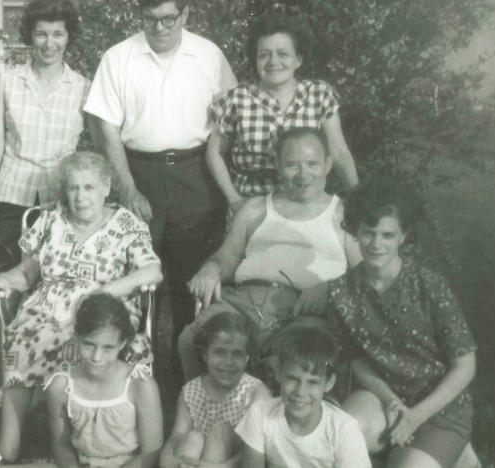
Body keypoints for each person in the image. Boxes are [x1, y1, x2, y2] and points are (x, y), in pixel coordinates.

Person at [0, 151, 163, 462]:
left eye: (89, 187)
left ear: (106, 187)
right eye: (73, 188)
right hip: (48, 308)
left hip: (104, 309)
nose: (80, 197)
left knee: (125, 346)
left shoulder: (125, 223)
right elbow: (28, 271)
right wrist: (6, 280)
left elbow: (152, 271)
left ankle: (118, 442)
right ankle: (9, 449)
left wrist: (103, 293)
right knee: (24, 339)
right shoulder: (52, 218)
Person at [84, 0, 238, 356]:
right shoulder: (118, 57)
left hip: (195, 174)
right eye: (150, 19)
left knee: (192, 276)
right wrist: (128, 189)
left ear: (185, 14)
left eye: (169, 18)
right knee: (134, 275)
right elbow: (107, 131)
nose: (159, 28)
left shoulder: (209, 55)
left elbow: (230, 117)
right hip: (139, 171)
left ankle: (188, 368)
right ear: (140, 16)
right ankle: (131, 362)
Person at [179, 127, 362, 379]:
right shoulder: (255, 208)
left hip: (306, 311)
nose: (303, 175)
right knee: (192, 339)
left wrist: (332, 289)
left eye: (312, 164)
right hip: (243, 302)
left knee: (304, 354)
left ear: (328, 164)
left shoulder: (343, 214)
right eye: (292, 165)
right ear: (277, 165)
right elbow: (226, 258)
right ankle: (204, 411)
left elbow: (366, 274)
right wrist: (211, 268)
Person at [328, 179, 477, 468]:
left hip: (439, 407)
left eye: (387, 235)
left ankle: (451, 452)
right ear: (355, 231)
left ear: (403, 236)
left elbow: (466, 365)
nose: (376, 243)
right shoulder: (341, 292)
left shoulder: (430, 286)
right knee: (343, 434)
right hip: (383, 399)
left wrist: (415, 416)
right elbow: (356, 359)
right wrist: (391, 401)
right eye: (368, 233)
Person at [0, 0, 91, 272]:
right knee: (7, 280)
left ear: (68, 37)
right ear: (30, 35)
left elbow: (96, 151)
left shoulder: (83, 88)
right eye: (41, 34)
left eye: (57, 34)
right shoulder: (7, 82)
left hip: (62, 199)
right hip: (11, 198)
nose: (49, 43)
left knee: (54, 281)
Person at [207, 16, 358, 214]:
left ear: (298, 59)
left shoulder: (319, 94)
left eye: (283, 54)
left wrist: (358, 199)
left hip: (308, 206)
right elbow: (214, 153)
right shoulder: (237, 99)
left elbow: (339, 152)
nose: (273, 61)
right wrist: (235, 201)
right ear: (255, 60)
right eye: (264, 55)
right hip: (253, 208)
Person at [44, 293, 163, 467]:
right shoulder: (61, 386)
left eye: (108, 347)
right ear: (77, 336)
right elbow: (61, 445)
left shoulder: (140, 385)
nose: (97, 357)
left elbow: (151, 453)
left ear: (122, 344)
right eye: (89, 345)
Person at [237, 324, 371, 468]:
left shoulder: (344, 429)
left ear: (329, 383)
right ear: (278, 373)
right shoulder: (260, 414)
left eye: (313, 383)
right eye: (293, 379)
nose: (300, 391)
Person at [160, 312, 270, 468]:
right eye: (219, 352)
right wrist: (166, 458)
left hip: (236, 464)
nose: (227, 362)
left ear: (247, 358)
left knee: (221, 434)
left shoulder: (256, 393)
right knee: (193, 438)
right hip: (197, 460)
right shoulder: (191, 391)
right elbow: (177, 436)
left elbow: (258, 450)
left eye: (237, 354)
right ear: (205, 354)